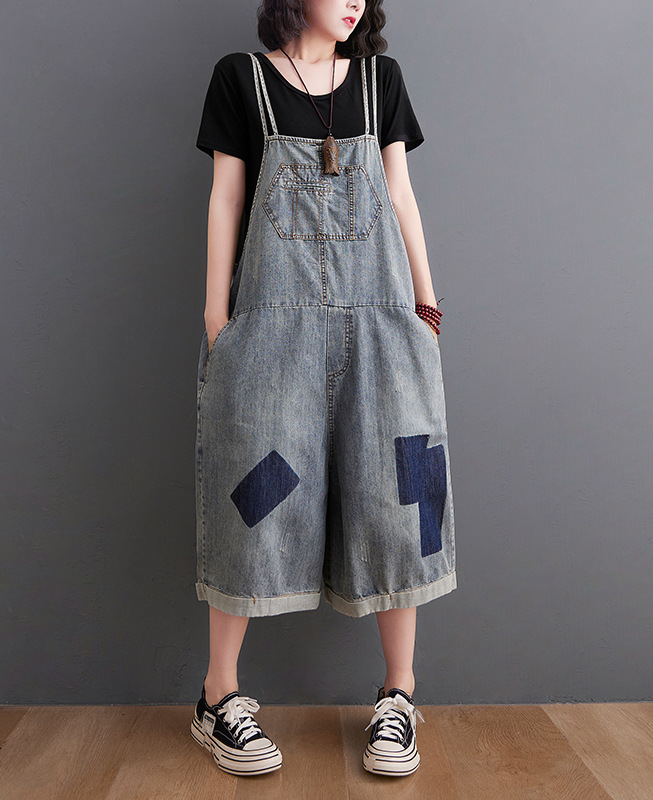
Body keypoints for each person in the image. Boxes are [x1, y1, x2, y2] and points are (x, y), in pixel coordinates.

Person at [190, 0, 456, 778]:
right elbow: (227, 195)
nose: (354, 2)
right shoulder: (242, 79)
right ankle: (218, 696)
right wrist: (216, 319)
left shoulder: (380, 81)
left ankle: (399, 694)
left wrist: (427, 308)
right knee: (254, 498)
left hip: (383, 323)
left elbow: (400, 195)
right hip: (272, 329)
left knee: (398, 494)